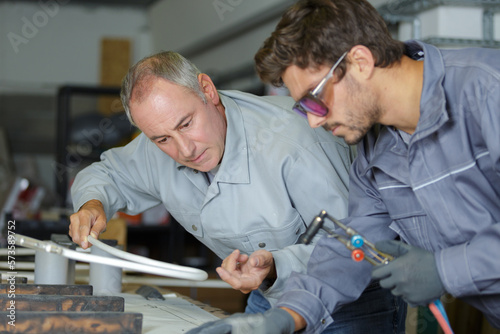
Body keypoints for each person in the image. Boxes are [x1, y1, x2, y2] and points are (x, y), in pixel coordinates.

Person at [187, 0, 500, 333]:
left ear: (360, 61)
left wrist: (445, 270)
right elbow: (350, 246)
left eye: (312, 98)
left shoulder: (487, 91)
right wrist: (285, 316)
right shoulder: (375, 148)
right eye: (301, 107)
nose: (311, 120)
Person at [69, 51, 405, 332]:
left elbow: (356, 245)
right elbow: (106, 172)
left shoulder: (293, 139)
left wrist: (276, 264)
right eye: (162, 139)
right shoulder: (159, 143)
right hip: (271, 293)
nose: (184, 149)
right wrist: (92, 203)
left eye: (186, 124)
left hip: (352, 301)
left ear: (207, 90)